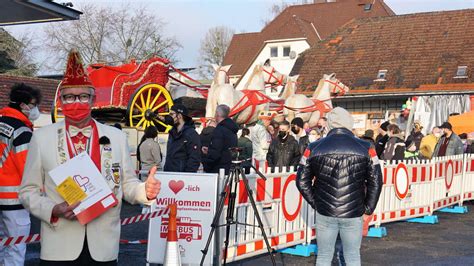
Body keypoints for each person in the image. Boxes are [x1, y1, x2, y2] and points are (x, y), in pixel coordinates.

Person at [19, 49, 161, 265]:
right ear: (61, 100)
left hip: (103, 247)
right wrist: (52, 209)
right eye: (69, 97)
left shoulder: (116, 137)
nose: (76, 102)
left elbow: (128, 184)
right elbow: (27, 191)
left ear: (93, 99)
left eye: (83, 96)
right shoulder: (41, 138)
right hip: (59, 246)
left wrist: (144, 191)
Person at [296, 107, 382, 266]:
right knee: (352, 255)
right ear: (349, 123)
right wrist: (368, 208)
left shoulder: (313, 147)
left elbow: (301, 180)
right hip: (354, 210)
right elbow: (376, 181)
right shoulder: (367, 147)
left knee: (323, 256)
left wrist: (316, 202)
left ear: (329, 124)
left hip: (325, 210)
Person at [0, 83, 41, 266]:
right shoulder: (22, 132)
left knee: (2, 245)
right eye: (33, 105)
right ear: (24, 105)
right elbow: (28, 169)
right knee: (16, 247)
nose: (35, 109)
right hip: (14, 201)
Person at [164, 104, 201, 172]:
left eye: (172, 114)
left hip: (182, 177)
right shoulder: (172, 133)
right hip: (169, 175)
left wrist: (186, 177)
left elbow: (194, 159)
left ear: (179, 116)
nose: (169, 117)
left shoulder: (191, 134)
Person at [203, 104, 238, 174]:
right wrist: (209, 150)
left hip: (217, 169)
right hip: (228, 168)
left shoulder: (219, 130)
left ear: (217, 114)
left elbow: (216, 153)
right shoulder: (232, 130)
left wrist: (206, 164)